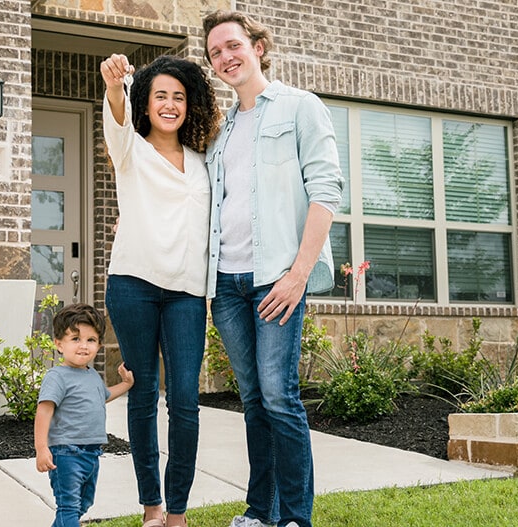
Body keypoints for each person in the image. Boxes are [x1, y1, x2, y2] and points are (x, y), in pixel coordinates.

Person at [201, 10, 344, 527]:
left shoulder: (300, 107)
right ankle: (260, 512)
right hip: (228, 283)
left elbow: (326, 191)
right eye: (215, 52)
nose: (225, 57)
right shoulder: (221, 129)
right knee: (254, 401)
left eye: (233, 45)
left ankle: (295, 518)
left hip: (276, 279)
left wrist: (298, 274)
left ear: (258, 46)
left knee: (280, 397)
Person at [99, 53, 221, 527]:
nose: (169, 105)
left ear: (190, 105)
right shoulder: (130, 149)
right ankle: (151, 506)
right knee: (144, 394)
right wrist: (115, 86)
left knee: (186, 400)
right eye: (160, 96)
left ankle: (178, 511)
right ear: (145, 103)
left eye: (179, 97)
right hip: (133, 285)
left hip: (188, 294)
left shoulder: (202, 163)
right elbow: (116, 115)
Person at [35, 303, 134, 527]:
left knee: (84, 504)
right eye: (75, 339)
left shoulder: (92, 376)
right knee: (68, 506)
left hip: (91, 454)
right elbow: (44, 411)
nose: (84, 346)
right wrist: (42, 448)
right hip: (66, 454)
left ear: (99, 345)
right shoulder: (57, 376)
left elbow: (104, 396)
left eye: (91, 340)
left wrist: (126, 384)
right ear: (59, 344)